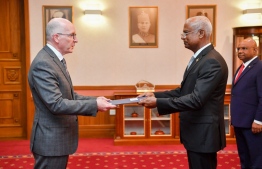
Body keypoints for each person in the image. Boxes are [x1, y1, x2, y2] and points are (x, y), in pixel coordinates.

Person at [138, 16, 228, 169]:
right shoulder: (201, 58)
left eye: (186, 33)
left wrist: (157, 103)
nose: (182, 37)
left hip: (203, 134)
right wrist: (155, 96)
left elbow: (196, 99)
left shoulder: (211, 61)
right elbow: (183, 91)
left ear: (201, 33)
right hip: (197, 132)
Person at [28, 18, 116, 169]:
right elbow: (56, 104)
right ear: (56, 37)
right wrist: (94, 104)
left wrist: (95, 100)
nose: (76, 40)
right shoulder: (44, 63)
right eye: (72, 35)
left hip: (56, 139)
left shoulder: (54, 60)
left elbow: (68, 96)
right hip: (50, 141)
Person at [230, 38, 262, 169]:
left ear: (255, 50)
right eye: (239, 48)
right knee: (244, 157)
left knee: (256, 159)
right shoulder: (242, 67)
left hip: (253, 124)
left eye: (244, 48)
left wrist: (259, 121)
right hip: (240, 122)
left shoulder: (259, 67)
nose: (240, 51)